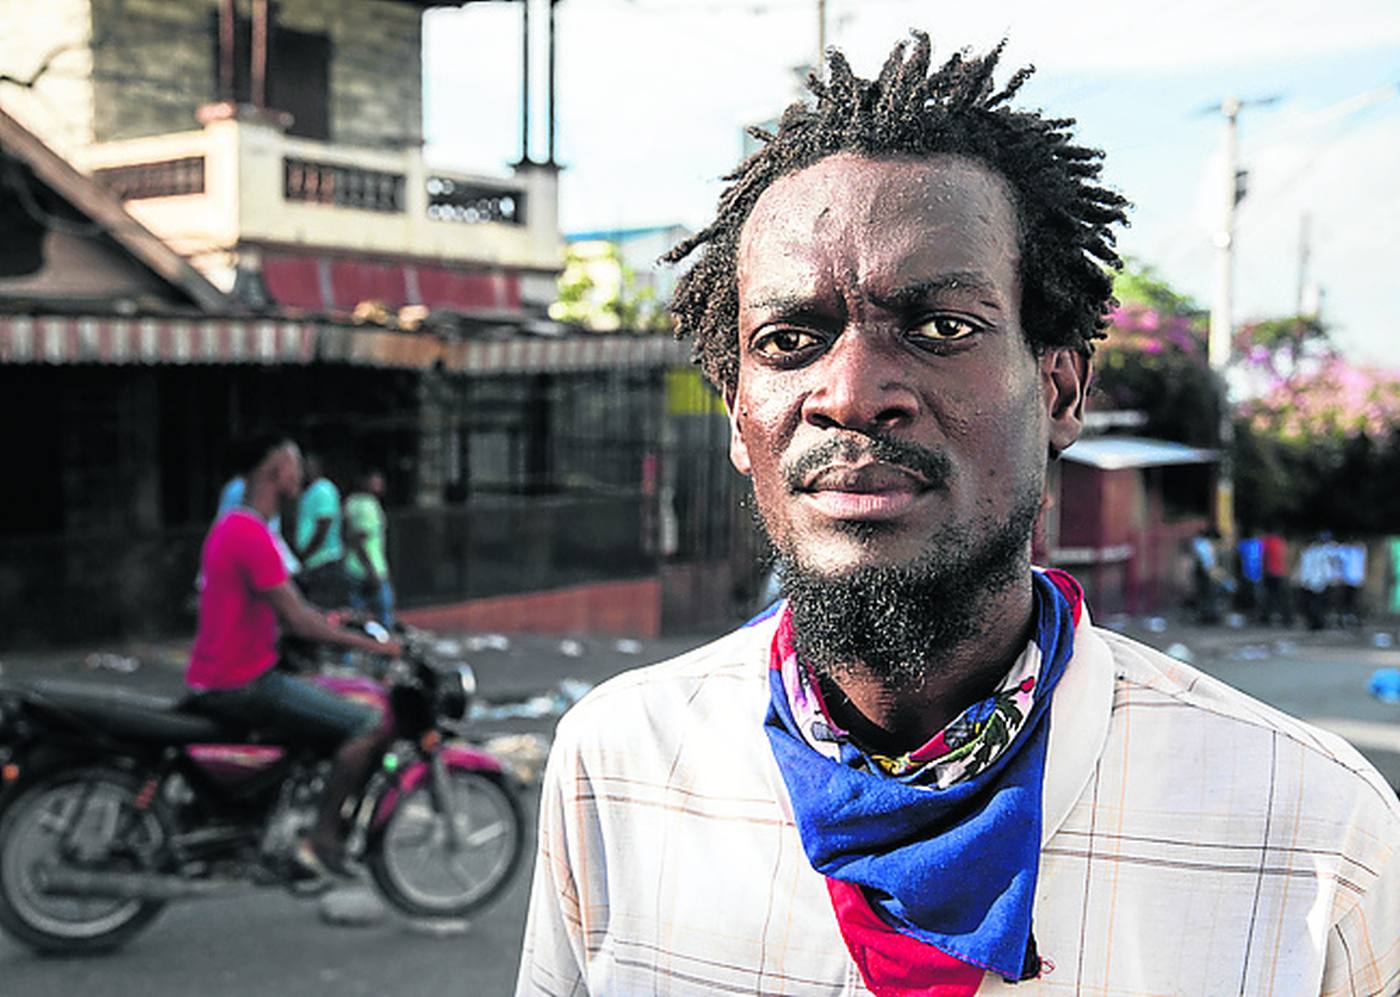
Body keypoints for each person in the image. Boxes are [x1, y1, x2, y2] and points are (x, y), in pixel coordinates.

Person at [516, 36, 1398, 995]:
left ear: (1060, 389)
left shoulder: (1311, 828)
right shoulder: (617, 762)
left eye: (942, 328)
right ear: (739, 415)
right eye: (789, 339)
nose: (850, 394)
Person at [188, 431, 403, 877]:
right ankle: (322, 839)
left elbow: (287, 612)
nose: (300, 472)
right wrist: (376, 646)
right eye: (294, 462)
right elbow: (300, 621)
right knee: (365, 723)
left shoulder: (233, 526)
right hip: (244, 683)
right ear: (274, 470)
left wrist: (333, 621)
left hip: (220, 676)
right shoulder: (251, 532)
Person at [294, 454, 347, 607]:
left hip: (325, 560)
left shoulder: (323, 489)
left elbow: (323, 525)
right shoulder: (307, 493)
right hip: (313, 563)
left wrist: (305, 553)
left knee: (322, 609)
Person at [343, 469, 393, 625]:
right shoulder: (368, 506)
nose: (379, 485)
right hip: (371, 569)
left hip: (351, 566)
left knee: (355, 618)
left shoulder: (351, 502)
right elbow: (360, 540)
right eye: (375, 481)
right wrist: (371, 572)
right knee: (384, 614)